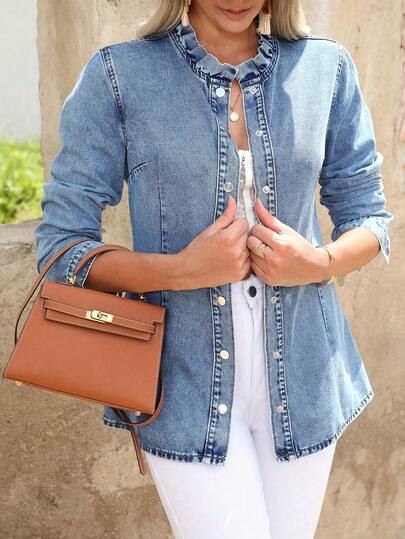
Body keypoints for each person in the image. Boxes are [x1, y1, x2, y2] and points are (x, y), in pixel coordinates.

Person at [35, 0, 394, 537]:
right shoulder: (119, 75)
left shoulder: (326, 69)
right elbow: (61, 249)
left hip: (306, 378)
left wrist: (317, 264)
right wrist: (181, 271)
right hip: (182, 385)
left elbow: (369, 217)